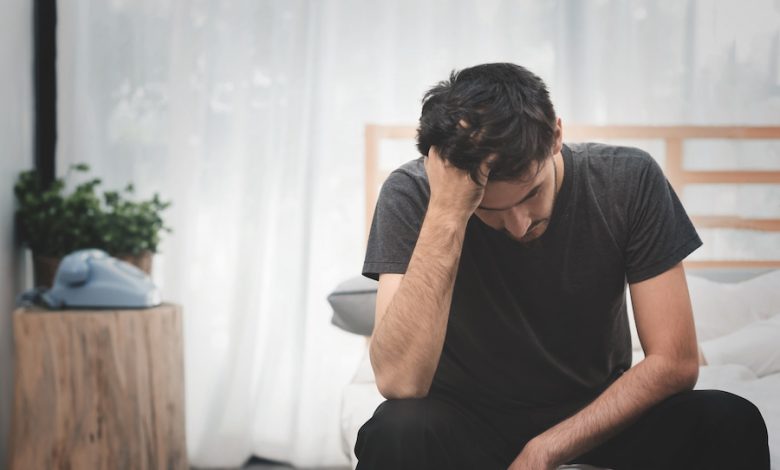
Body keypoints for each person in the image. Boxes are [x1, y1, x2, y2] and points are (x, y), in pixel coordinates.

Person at [355, 63, 770, 470]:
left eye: (531, 193)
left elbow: (675, 362)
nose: (518, 226)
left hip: (596, 414)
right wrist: (448, 212)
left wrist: (547, 449)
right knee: (396, 430)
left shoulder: (628, 180)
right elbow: (399, 383)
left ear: (555, 134)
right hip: (466, 419)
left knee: (729, 420)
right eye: (490, 209)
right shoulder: (411, 194)